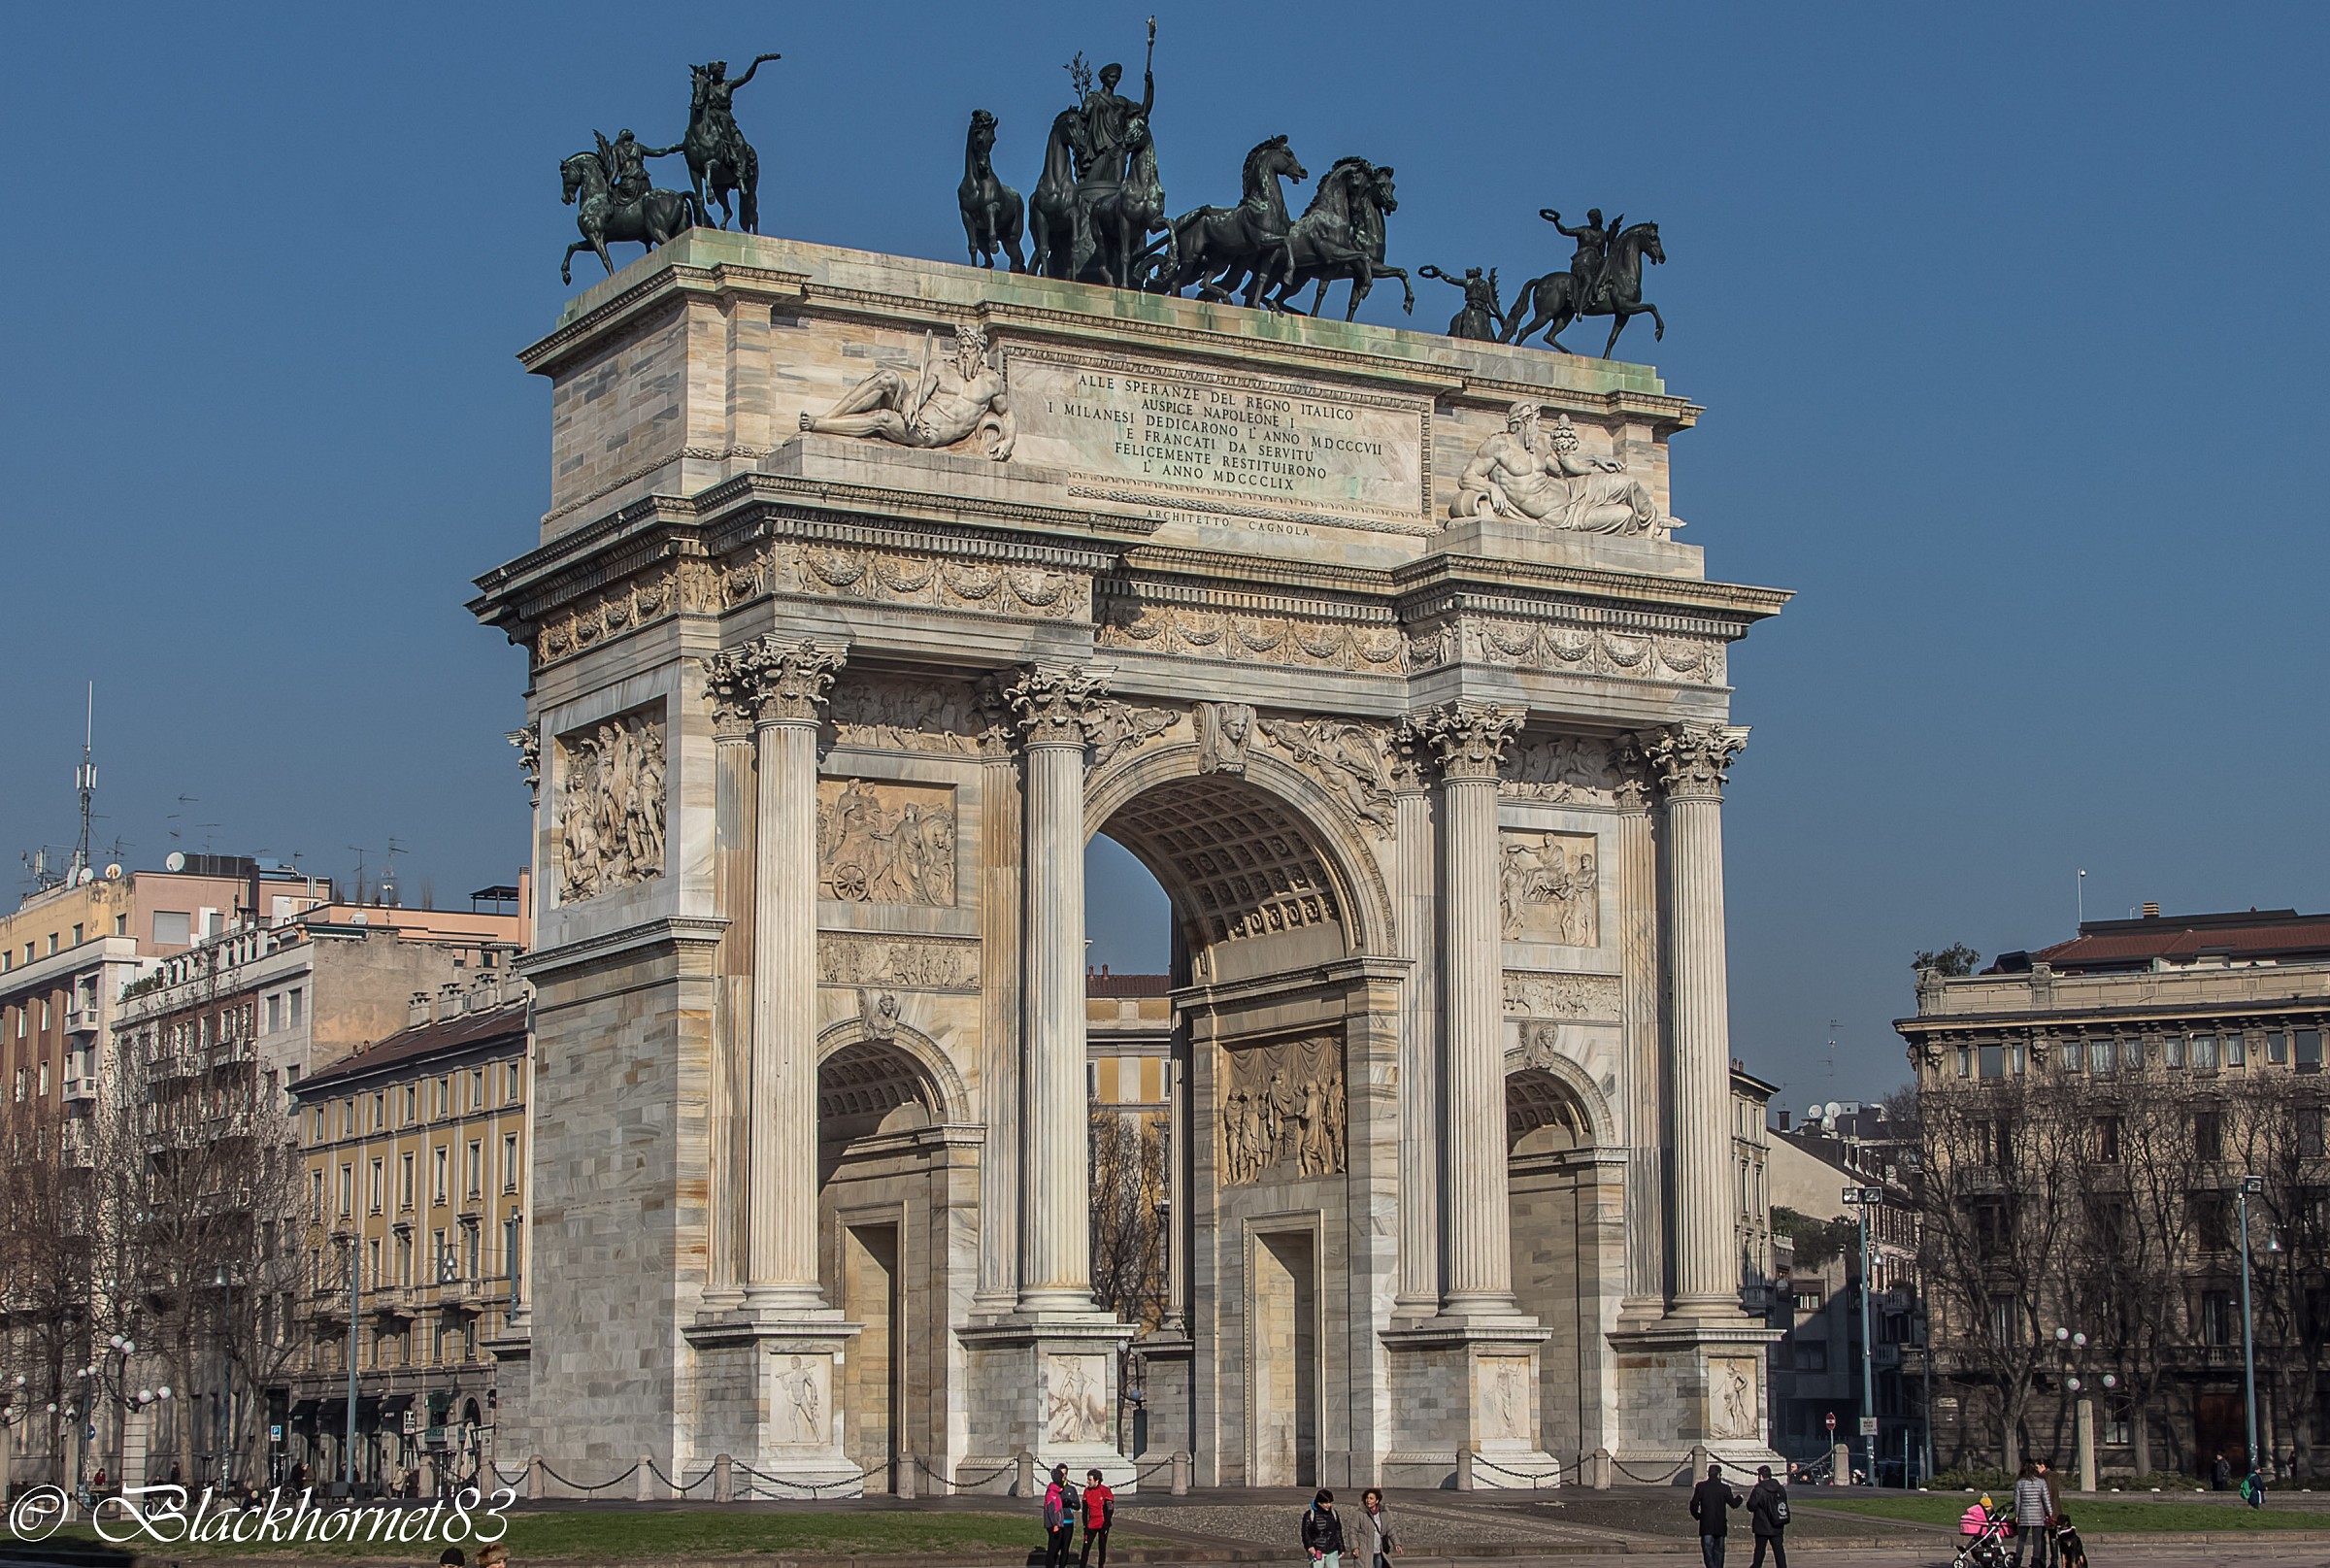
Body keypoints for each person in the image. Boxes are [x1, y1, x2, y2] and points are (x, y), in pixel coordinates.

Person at [1689, 1463, 1741, 1568]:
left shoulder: (1701, 1487)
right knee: (1719, 1551)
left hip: (1706, 1523)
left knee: (1708, 1550)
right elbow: (1734, 1504)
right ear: (1718, 1475)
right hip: (1720, 1524)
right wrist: (1740, 1498)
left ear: (1709, 1474)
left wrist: (1698, 1516)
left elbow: (1693, 1504)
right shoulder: (1724, 1488)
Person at [1746, 1464, 1790, 1568]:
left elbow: (1751, 1506)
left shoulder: (1759, 1489)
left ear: (1761, 1477)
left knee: (1760, 1552)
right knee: (1779, 1551)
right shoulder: (1780, 1488)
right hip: (1777, 1523)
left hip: (1762, 1524)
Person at [2011, 1459, 2053, 1568]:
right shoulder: (2041, 1482)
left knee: (2021, 1540)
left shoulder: (2019, 1483)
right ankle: (2035, 1562)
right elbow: (2046, 1499)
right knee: (2037, 1541)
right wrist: (2050, 1513)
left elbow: (2017, 1501)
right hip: (2038, 1514)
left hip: (2024, 1514)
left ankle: (2017, 1561)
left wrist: (2017, 1515)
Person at [1043, 1464, 1080, 1568]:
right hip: (1058, 1523)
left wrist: (1070, 1503)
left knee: (1065, 1548)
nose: (1063, 1476)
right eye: (1061, 1474)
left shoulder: (1071, 1489)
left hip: (1068, 1521)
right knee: (1054, 1549)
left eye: (1065, 1474)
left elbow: (1077, 1505)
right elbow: (1051, 1508)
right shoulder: (1054, 1489)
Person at [1078, 1467, 1115, 1568]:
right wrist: (1085, 1525)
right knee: (1086, 1547)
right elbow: (1085, 1510)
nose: (1088, 1482)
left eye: (1090, 1480)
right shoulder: (1087, 1491)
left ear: (1097, 1480)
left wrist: (1106, 1524)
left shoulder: (1105, 1491)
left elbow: (1110, 1509)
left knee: (1102, 1547)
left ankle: (1101, 1565)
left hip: (1102, 1523)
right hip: (1091, 1524)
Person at [1301, 1488, 1347, 1567]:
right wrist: (1309, 1546)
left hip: (1332, 1550)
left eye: (1329, 1502)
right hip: (1317, 1550)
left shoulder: (1333, 1513)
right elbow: (1305, 1533)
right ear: (1319, 1502)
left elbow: (1338, 1531)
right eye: (1325, 1503)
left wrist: (1341, 1547)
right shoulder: (1310, 1515)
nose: (1328, 1505)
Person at [1358, 1486, 1395, 1568]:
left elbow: (1390, 1530)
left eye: (1371, 1498)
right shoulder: (1360, 1514)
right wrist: (1355, 1547)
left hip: (1379, 1550)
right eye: (1367, 1498)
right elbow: (1353, 1531)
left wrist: (1397, 1544)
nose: (1368, 1500)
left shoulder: (1384, 1514)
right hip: (1366, 1552)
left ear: (1377, 1501)